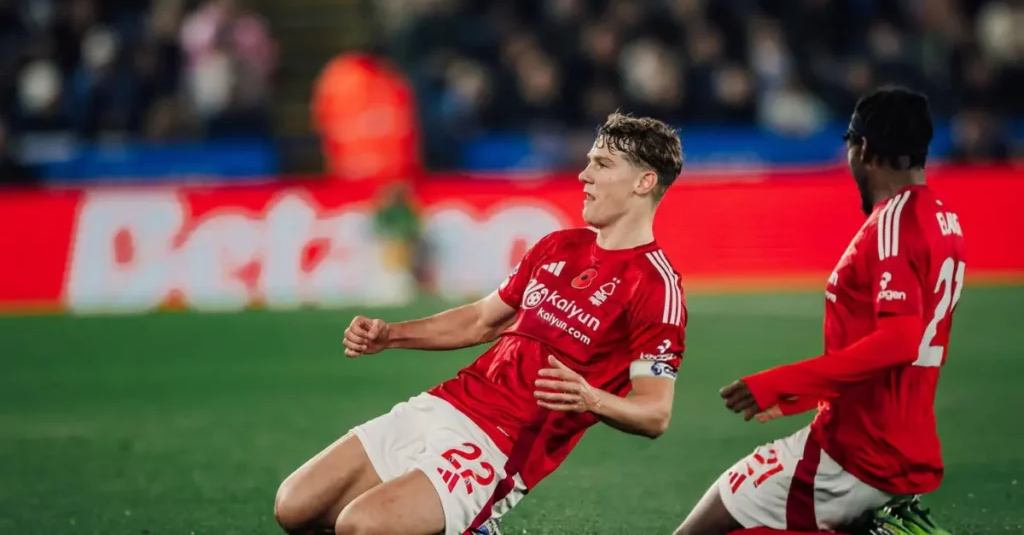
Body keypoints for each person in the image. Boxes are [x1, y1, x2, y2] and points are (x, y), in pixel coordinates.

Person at [274, 112, 688, 535]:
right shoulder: (558, 245)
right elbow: (480, 320)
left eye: (602, 165)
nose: (584, 175)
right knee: (294, 507)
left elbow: (655, 413)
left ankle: (476, 524)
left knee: (361, 526)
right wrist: (392, 335)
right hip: (449, 403)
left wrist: (591, 398)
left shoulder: (655, 286)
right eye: (588, 161)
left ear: (644, 183)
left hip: (499, 446)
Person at [673, 87, 962, 535]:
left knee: (703, 527)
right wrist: (802, 399)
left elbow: (901, 340)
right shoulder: (944, 219)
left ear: (862, 148)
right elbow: (899, 348)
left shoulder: (891, 223)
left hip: (854, 451)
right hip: (900, 442)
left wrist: (779, 382)